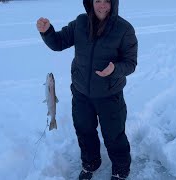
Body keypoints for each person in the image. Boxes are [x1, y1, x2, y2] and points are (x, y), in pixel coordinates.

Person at [36, 0, 137, 179]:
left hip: (110, 95)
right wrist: (47, 32)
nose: (102, 6)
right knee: (84, 131)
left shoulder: (124, 29)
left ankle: (121, 171)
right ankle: (90, 163)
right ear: (91, 2)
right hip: (81, 93)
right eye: (98, 0)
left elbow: (130, 63)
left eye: (107, 1)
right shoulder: (80, 23)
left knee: (114, 135)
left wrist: (115, 69)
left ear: (113, 3)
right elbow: (58, 42)